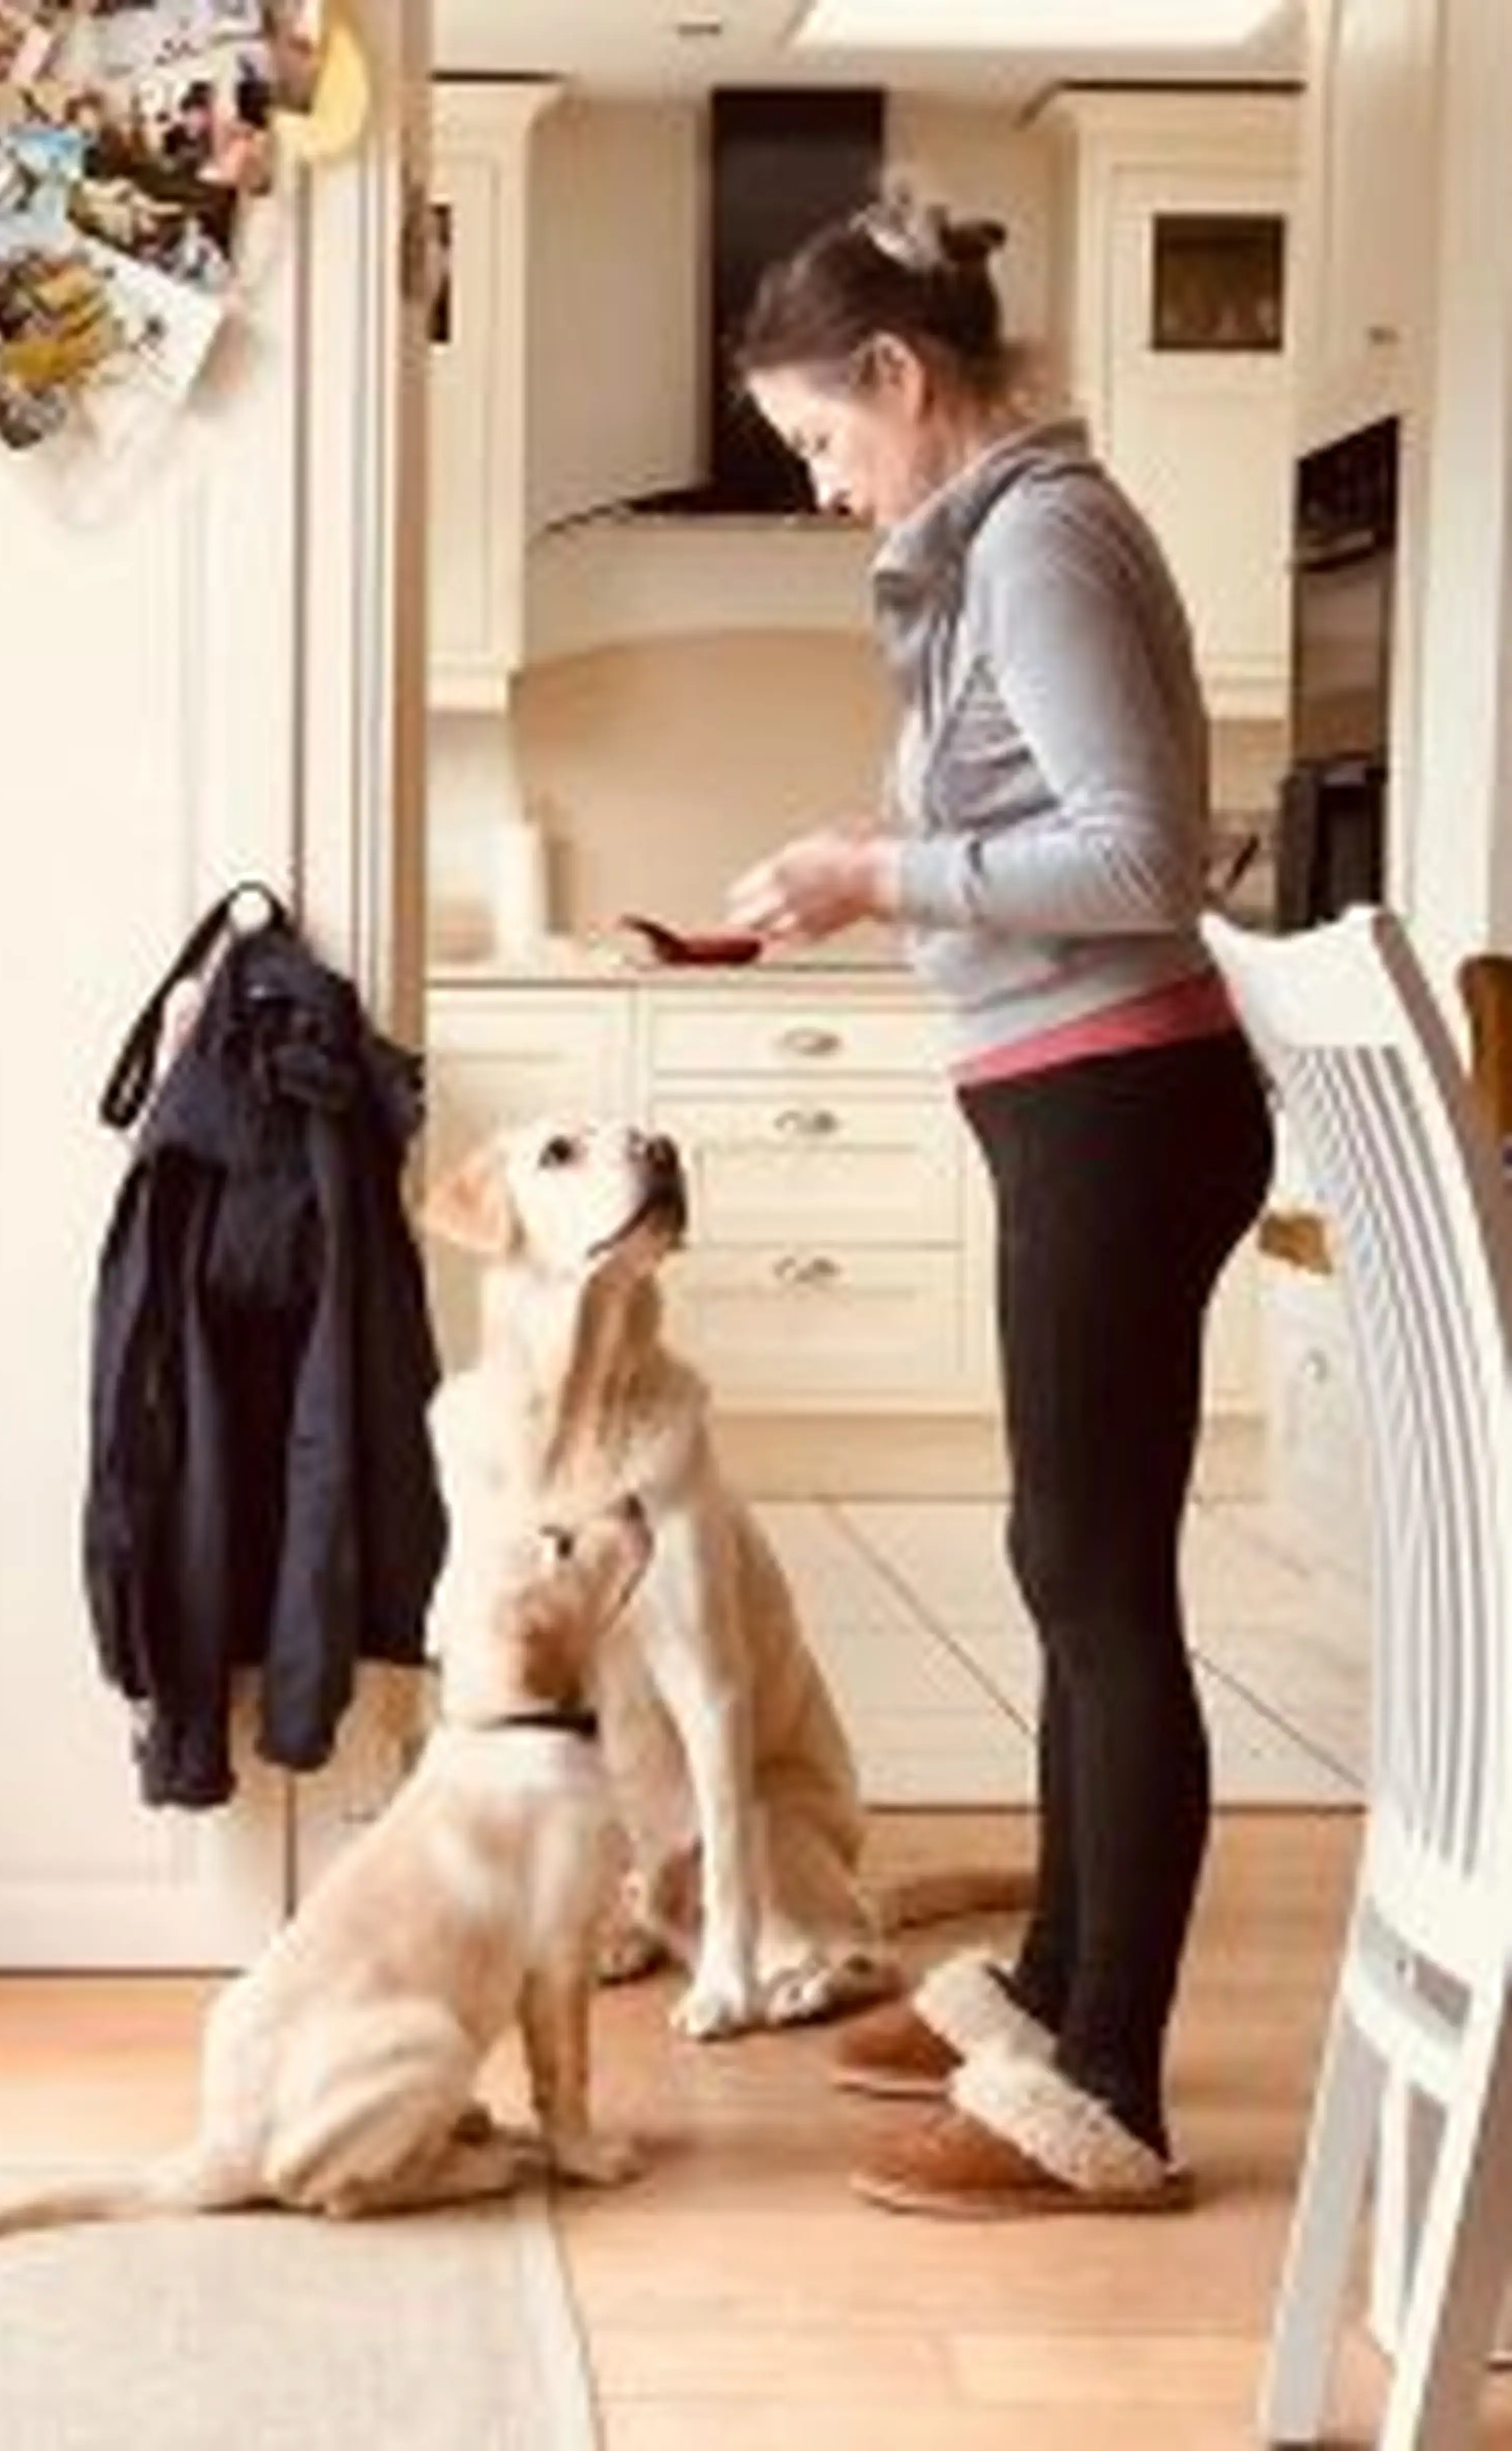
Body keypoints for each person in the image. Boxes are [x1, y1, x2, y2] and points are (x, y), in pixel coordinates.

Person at [724, 189, 1274, 2219]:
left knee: (1101, 1588)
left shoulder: (1040, 535)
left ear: (902, 374)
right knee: (1071, 1572)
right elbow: (1033, 815)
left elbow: (1136, 858)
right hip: (1079, 1097)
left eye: (820, 435)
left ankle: (1105, 2093)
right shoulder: (994, 546)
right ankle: (1048, 1995)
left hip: (1123, 1100)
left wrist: (889, 879)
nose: (824, 477)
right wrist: (862, 858)